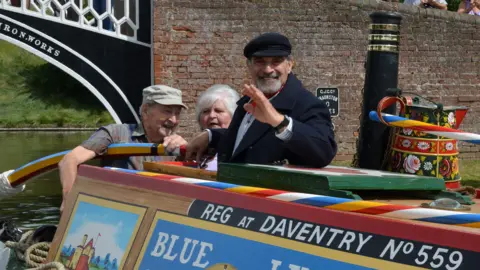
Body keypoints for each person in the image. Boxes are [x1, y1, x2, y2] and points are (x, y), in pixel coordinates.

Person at [186, 32, 337, 168]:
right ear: (249, 66)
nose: (267, 69)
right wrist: (211, 136)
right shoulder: (248, 101)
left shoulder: (308, 105)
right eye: (260, 61)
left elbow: (324, 153)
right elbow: (246, 141)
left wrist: (279, 122)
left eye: (276, 61)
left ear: (289, 65)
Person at [58, 85, 188, 210]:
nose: (174, 120)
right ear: (145, 110)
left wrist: (186, 151)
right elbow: (69, 160)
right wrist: (70, 202)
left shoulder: (177, 146)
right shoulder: (116, 134)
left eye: (177, 113)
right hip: (117, 217)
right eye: (167, 111)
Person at [195, 84, 240, 170]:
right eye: (206, 111)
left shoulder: (237, 152)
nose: (211, 115)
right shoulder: (195, 149)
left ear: (233, 116)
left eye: (218, 111)